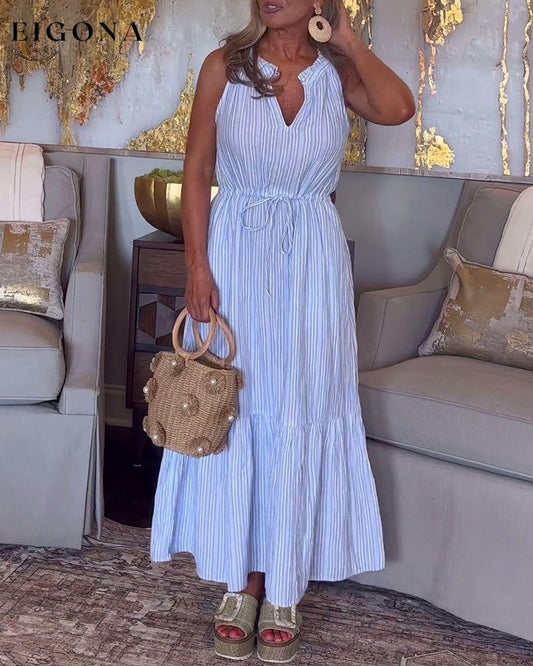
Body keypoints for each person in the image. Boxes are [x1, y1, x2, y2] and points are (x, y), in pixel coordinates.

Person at [150, 0, 415, 662]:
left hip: (313, 264)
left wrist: (349, 40)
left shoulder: (337, 73)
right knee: (238, 410)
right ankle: (240, 580)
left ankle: (285, 583)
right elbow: (196, 170)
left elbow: (397, 108)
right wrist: (196, 268)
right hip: (236, 255)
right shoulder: (224, 66)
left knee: (301, 407)